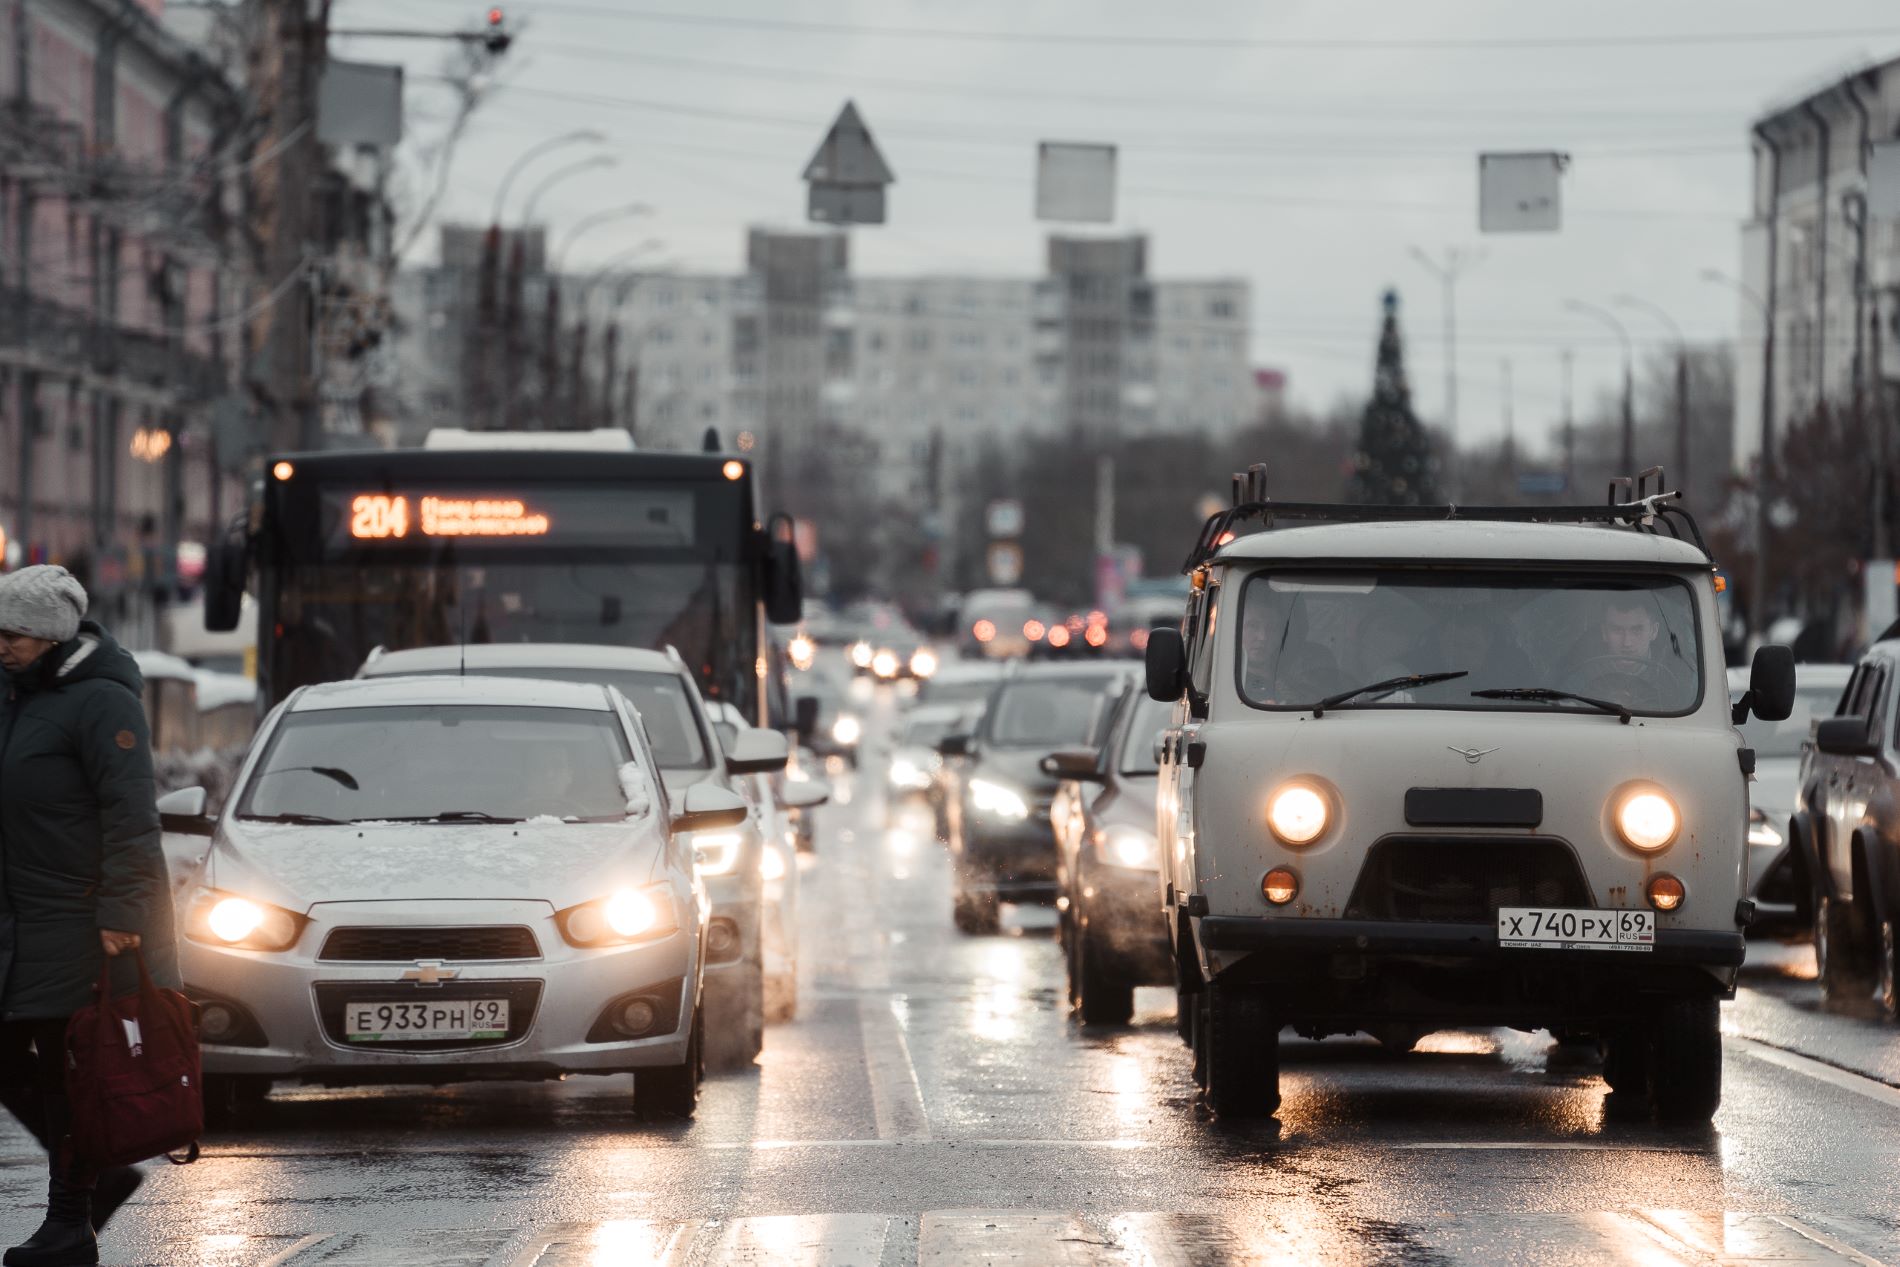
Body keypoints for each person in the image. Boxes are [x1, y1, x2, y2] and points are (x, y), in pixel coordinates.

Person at [0, 566, 179, 1266]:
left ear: (48, 635)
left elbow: (131, 816)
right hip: (19, 919)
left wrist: (124, 912)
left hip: (79, 922)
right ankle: (90, 1188)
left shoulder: (103, 701)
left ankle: (70, 1220)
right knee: (27, 1066)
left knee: (65, 1073)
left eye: (13, 634)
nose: (1, 645)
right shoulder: (16, 696)